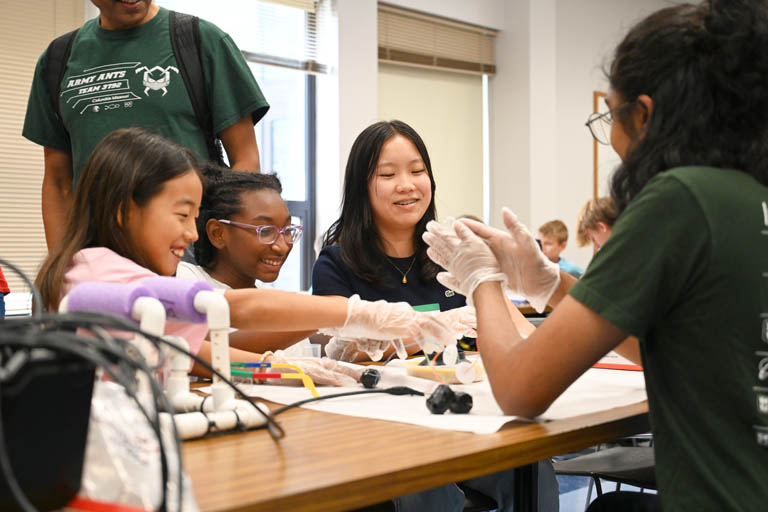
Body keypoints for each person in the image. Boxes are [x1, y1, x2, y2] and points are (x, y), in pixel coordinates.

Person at [424, 0, 768, 510]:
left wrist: (482, 279)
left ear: (645, 114)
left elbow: (520, 391)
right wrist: (552, 286)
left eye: (611, 115)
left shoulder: (680, 200)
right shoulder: (746, 195)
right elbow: (674, 346)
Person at [35, 128, 451, 388]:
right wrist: (361, 314)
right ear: (125, 209)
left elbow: (203, 354)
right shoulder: (96, 274)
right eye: (182, 215)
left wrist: (299, 372)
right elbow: (235, 309)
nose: (190, 233)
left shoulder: (111, 273)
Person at [312, 120, 554, 512]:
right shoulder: (337, 263)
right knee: (425, 481)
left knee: (532, 468)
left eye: (418, 171)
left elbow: (520, 330)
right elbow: (343, 355)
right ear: (361, 187)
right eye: (387, 174)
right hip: (387, 428)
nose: (407, 184)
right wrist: (441, 328)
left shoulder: (453, 250)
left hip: (466, 413)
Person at [23, 0, 269, 251]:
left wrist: (222, 251)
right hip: (97, 254)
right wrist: (61, 266)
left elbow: (246, 160)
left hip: (190, 247)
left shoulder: (201, 41)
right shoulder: (57, 59)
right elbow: (58, 181)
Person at [176, 164, 315, 354]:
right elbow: (214, 348)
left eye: (288, 230)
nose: (282, 246)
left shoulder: (273, 302)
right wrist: (321, 318)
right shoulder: (185, 280)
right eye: (265, 231)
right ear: (218, 233)